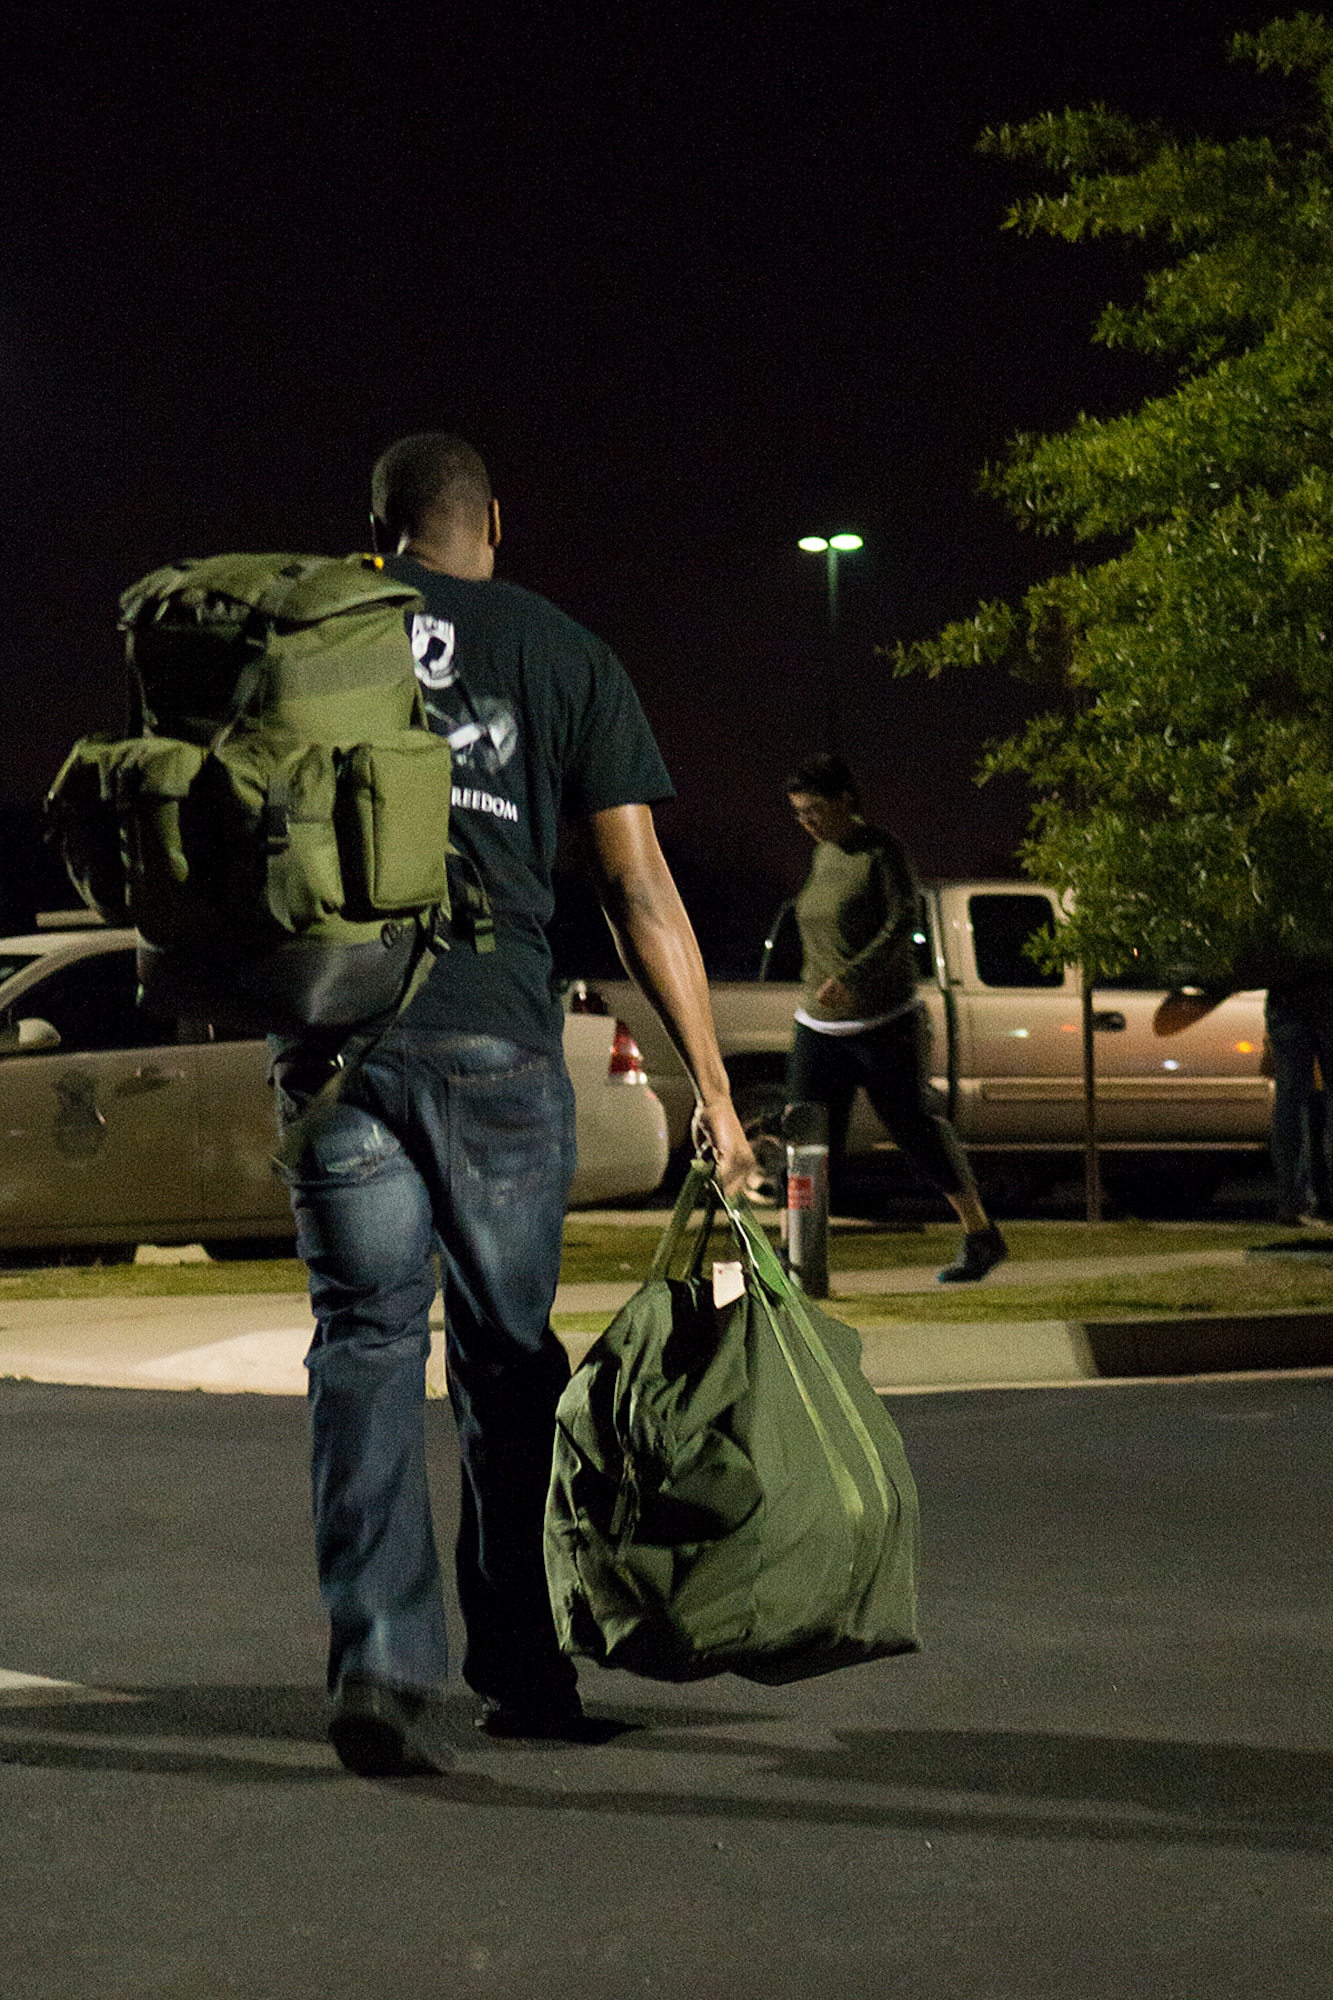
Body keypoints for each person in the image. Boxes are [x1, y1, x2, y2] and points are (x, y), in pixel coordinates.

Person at [272, 433, 753, 1776]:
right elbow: (637, 887)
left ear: (378, 529)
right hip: (493, 1042)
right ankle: (525, 1672)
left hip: (337, 1045)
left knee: (364, 1341)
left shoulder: (317, 624)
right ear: (494, 519)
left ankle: (375, 1657)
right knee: (503, 1361)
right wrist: (713, 1090)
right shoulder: (561, 650)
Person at [784, 753, 1006, 1283]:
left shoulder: (880, 851)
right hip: (817, 1025)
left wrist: (855, 976)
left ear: (845, 802)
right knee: (807, 1140)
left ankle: (981, 1236)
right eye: (798, 814)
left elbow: (902, 918)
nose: (808, 823)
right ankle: (799, 1262)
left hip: (884, 1024)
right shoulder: (822, 857)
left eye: (815, 810)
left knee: (916, 1131)